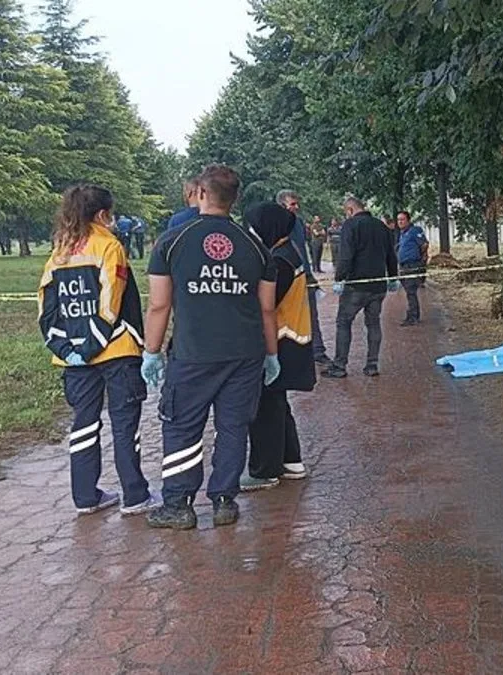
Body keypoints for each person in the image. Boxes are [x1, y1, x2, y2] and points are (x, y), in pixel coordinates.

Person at [141, 164, 280, 530]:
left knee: (183, 425)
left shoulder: (171, 242)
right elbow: (267, 307)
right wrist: (271, 354)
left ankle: (179, 504)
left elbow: (158, 304)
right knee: (233, 426)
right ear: (234, 200)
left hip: (193, 353)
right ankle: (224, 501)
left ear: (201, 193)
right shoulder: (256, 247)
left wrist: (151, 351)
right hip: (245, 353)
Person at [37, 184, 155, 516]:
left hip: (72, 357)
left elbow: (46, 306)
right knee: (124, 423)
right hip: (115, 350)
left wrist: (64, 346)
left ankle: (85, 496)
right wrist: (93, 345)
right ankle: (135, 496)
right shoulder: (109, 246)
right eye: (112, 215)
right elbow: (111, 302)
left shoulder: (59, 252)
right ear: (103, 215)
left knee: (84, 424)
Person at [241, 203, 316, 490]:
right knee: (277, 405)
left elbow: (265, 306)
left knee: (264, 409)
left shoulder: (279, 261)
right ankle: (290, 461)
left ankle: (264, 471)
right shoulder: (286, 254)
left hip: (281, 341)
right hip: (290, 339)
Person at [326, 195, 397, 378]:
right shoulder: (382, 226)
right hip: (378, 286)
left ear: (350, 210)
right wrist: (393, 277)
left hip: (356, 286)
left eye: (346, 212)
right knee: (373, 323)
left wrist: (339, 278)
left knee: (344, 322)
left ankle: (340, 366)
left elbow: (346, 255)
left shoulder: (350, 226)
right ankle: (372, 365)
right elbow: (391, 255)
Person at [277, 190, 330, 365]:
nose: (296, 207)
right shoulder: (275, 224)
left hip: (305, 276)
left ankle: (317, 350)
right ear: (282, 205)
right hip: (285, 277)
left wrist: (309, 273)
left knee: (311, 314)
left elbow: (301, 248)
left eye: (296, 203)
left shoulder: (299, 223)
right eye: (292, 204)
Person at [395, 210, 429, 326]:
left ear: (408, 220)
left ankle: (413, 317)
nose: (400, 222)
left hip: (412, 265)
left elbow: (424, 244)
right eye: (398, 220)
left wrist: (420, 259)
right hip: (404, 266)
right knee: (409, 291)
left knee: (411, 291)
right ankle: (411, 314)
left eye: (402, 219)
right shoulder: (402, 233)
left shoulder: (415, 231)